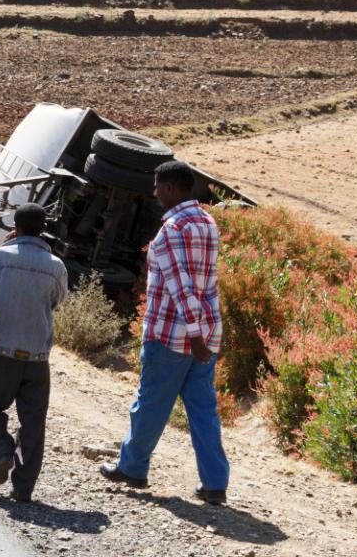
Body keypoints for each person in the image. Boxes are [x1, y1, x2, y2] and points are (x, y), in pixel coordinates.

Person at [100, 160, 230, 506]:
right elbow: (207, 284)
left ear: (171, 188)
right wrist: (204, 335)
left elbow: (181, 286)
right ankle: (215, 484)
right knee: (203, 411)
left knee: (151, 404)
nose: (155, 193)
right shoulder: (207, 222)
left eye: (158, 187)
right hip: (205, 333)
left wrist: (194, 336)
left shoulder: (172, 228)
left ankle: (133, 467)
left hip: (175, 336)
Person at [0, 203, 68, 503]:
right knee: (33, 422)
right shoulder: (56, 265)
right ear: (43, 228)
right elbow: (57, 301)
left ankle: (0, 453)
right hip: (37, 357)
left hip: (0, 351)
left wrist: (5, 247)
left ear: (16, 226)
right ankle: (23, 489)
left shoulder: (0, 257)